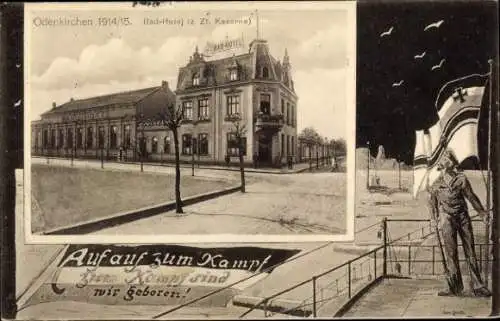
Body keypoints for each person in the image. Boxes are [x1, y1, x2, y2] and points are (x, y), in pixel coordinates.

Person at [428, 149, 491, 297]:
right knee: (451, 253)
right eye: (444, 158)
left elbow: (471, 197)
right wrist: (433, 219)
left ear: (453, 163)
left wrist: (482, 213)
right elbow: (432, 203)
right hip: (446, 219)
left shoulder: (461, 179)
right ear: (441, 165)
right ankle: (454, 287)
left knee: (470, 251)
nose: (447, 160)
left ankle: (478, 286)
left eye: (449, 158)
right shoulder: (436, 183)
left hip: (463, 217)